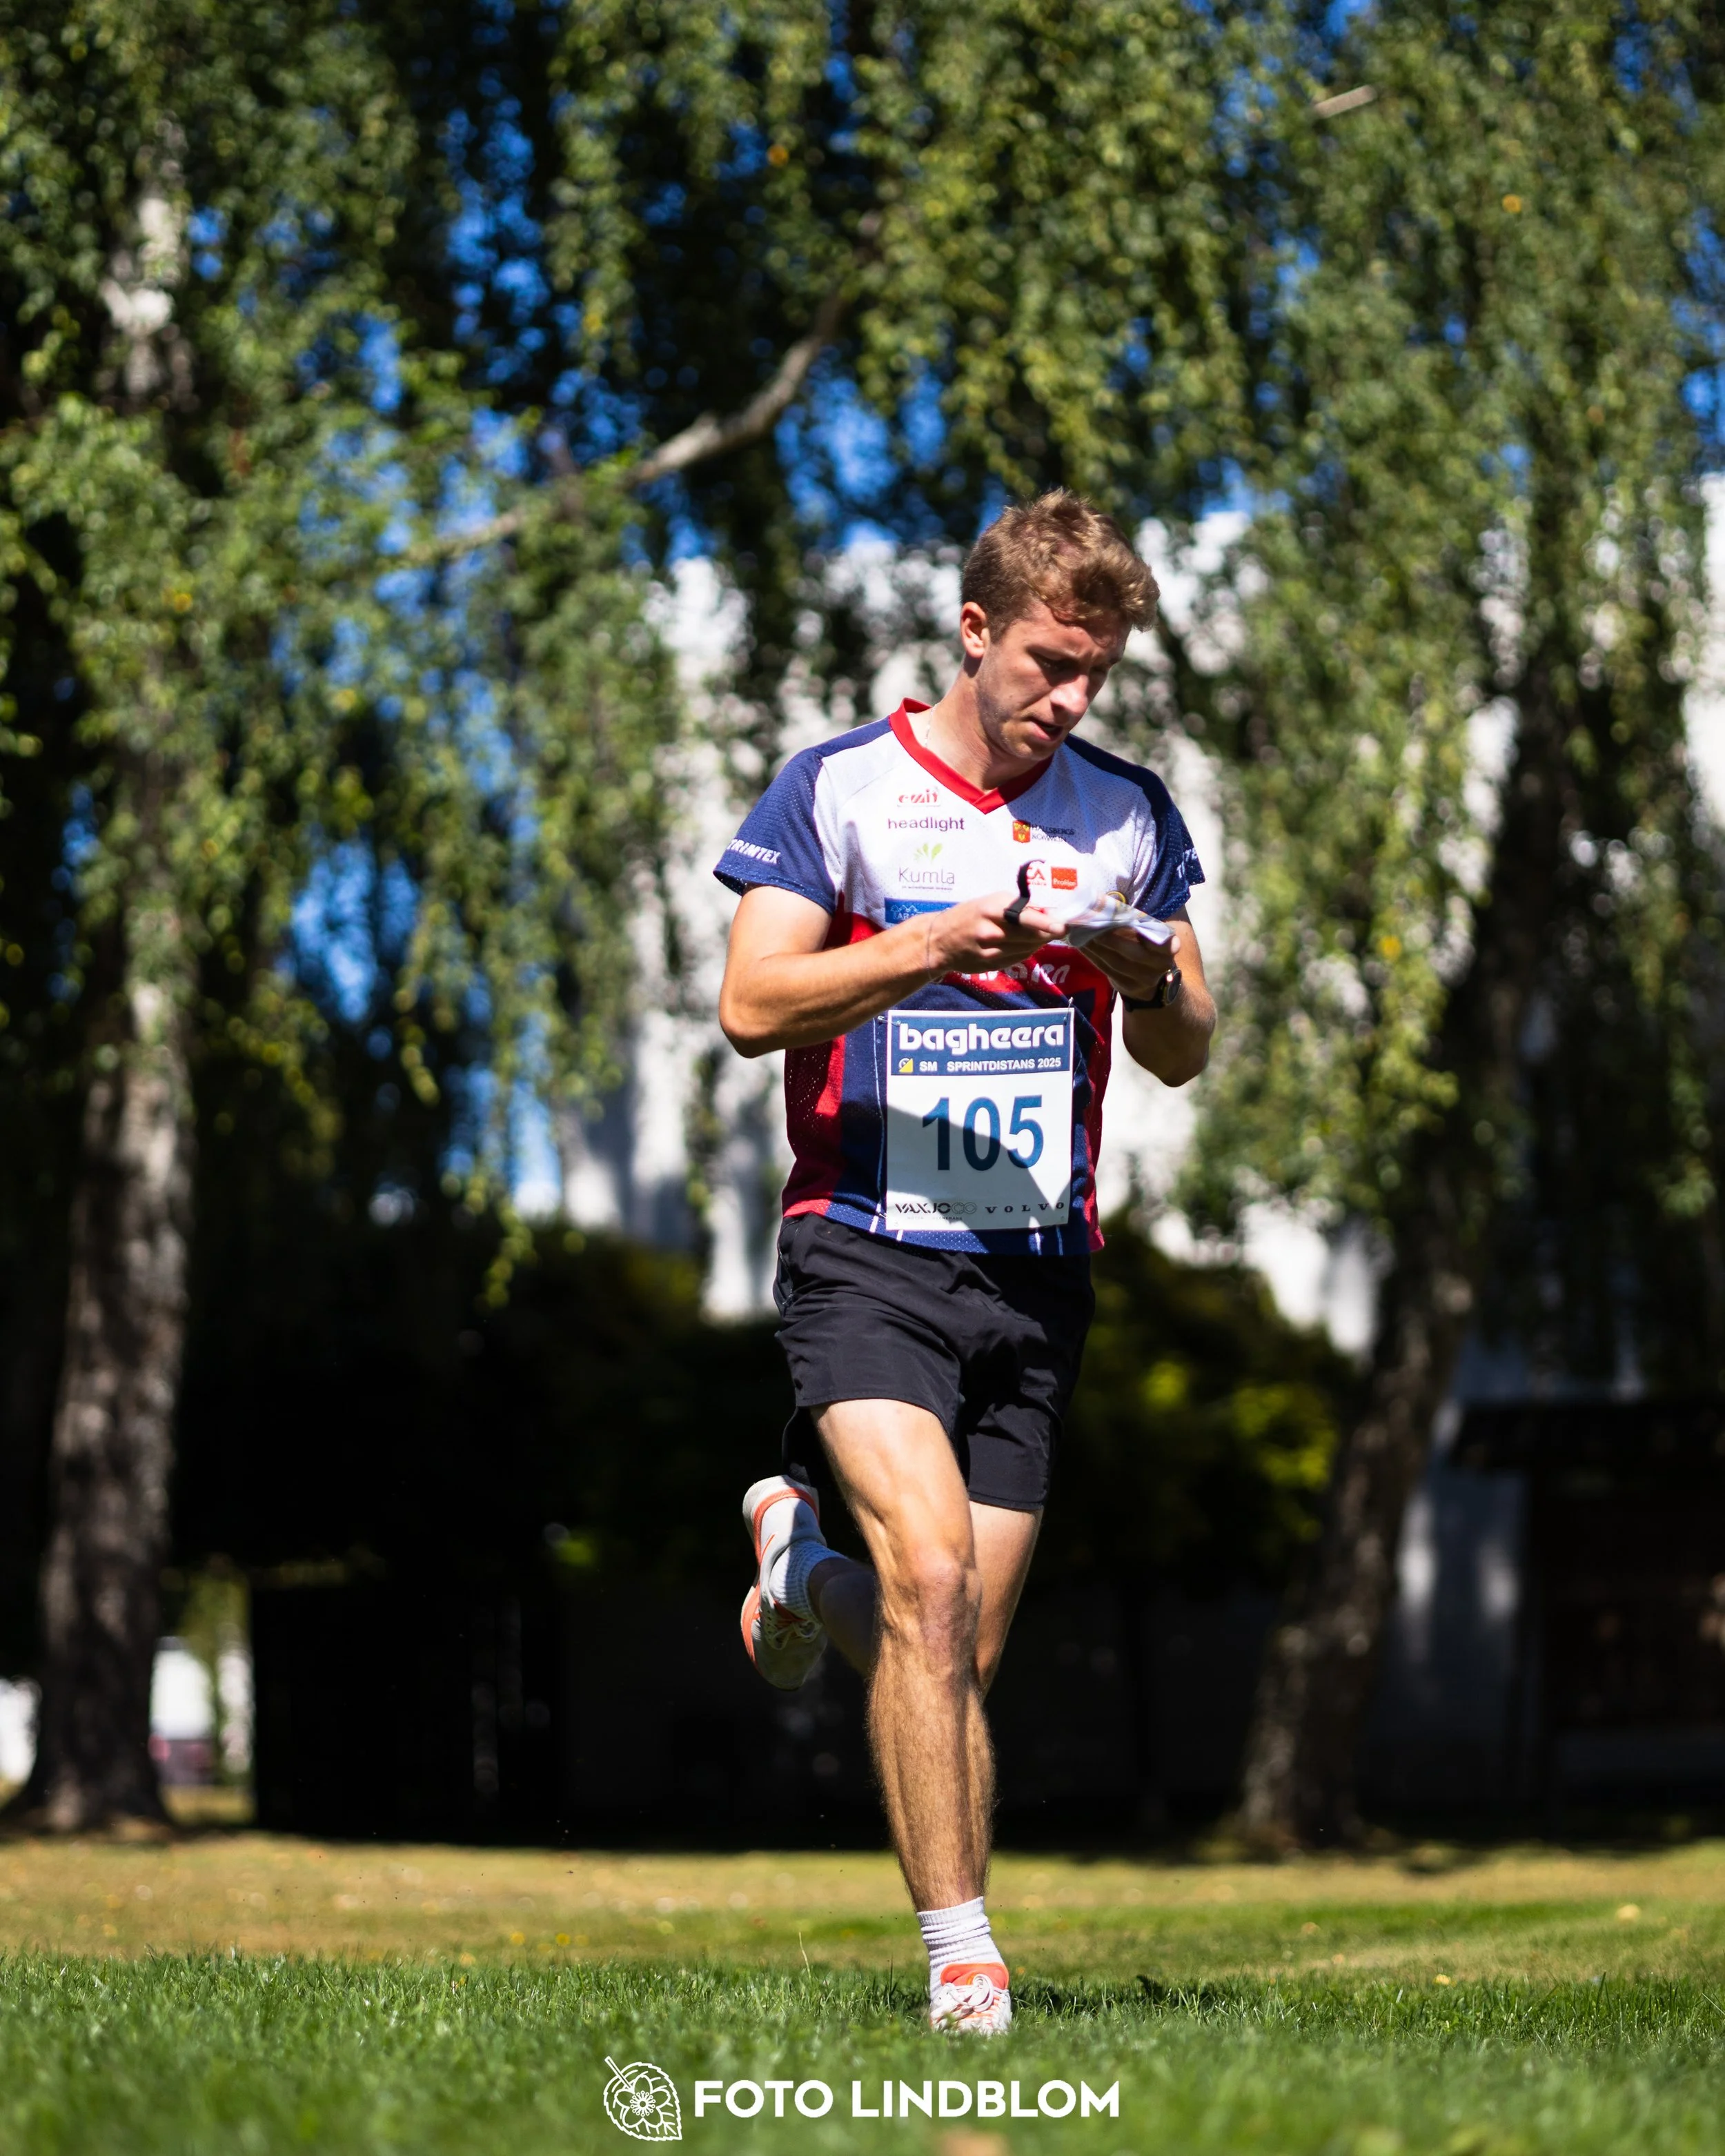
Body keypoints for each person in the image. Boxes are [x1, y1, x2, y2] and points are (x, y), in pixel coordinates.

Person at [713, 489, 1216, 2035]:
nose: (1069, 701)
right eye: (1050, 664)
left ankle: (799, 1561)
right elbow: (751, 1004)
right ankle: (965, 1965)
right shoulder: (841, 790)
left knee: (946, 1653)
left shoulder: (1125, 813)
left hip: (1036, 1273)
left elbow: (1187, 1047)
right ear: (975, 629)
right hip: (863, 1245)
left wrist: (1140, 967)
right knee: (928, 1586)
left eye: (1096, 674)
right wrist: (930, 942)